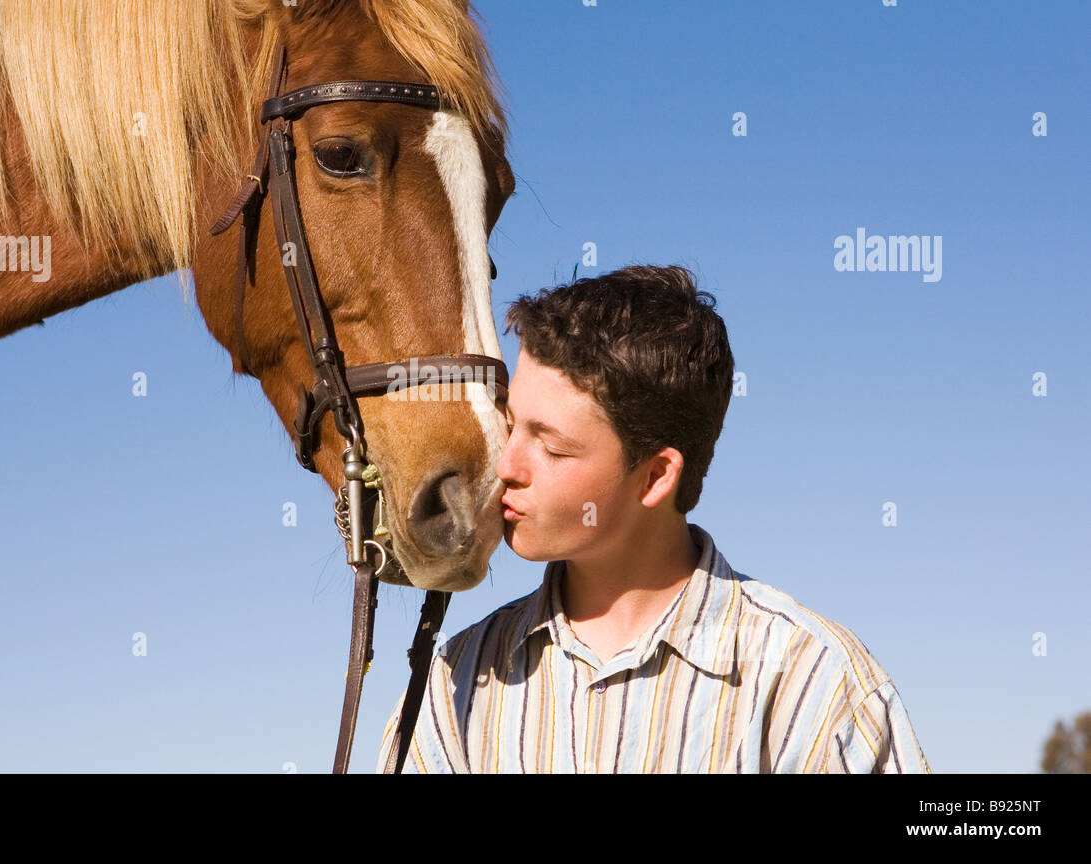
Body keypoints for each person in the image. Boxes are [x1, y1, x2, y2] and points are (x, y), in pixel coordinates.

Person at [376, 264, 931, 773]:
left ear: (656, 477)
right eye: (512, 422)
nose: (506, 464)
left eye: (553, 448)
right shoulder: (453, 683)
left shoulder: (813, 684)